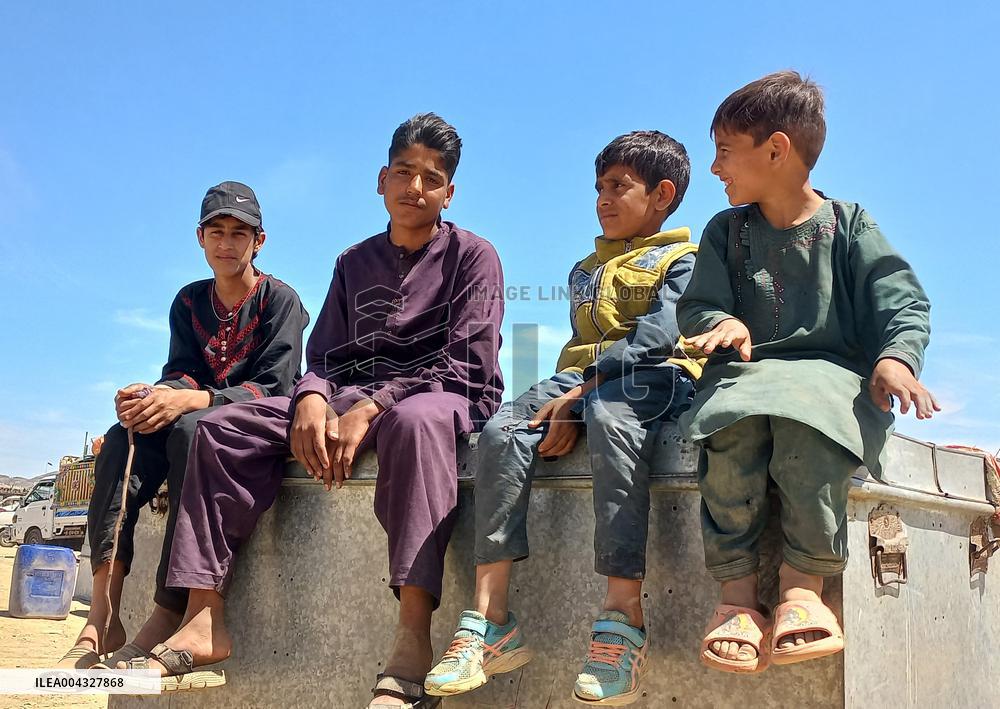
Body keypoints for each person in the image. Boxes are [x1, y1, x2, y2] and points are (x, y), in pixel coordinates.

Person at [121, 114, 504, 706]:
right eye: (403, 172)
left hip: (436, 396)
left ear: (448, 192)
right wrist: (312, 398)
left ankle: (412, 635)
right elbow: (322, 354)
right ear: (381, 180)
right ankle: (204, 618)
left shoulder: (474, 257)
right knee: (220, 429)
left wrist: (374, 406)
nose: (415, 188)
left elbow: (468, 363)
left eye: (432, 179)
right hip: (350, 395)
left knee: (414, 422)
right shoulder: (354, 261)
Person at [424, 131, 700, 706]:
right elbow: (578, 349)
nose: (602, 198)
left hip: (655, 376)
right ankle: (489, 619)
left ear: (662, 194)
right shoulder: (584, 269)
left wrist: (584, 398)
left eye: (618, 186)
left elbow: (659, 338)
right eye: (599, 186)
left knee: (612, 416)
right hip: (582, 380)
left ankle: (623, 616)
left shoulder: (684, 260)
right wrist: (565, 399)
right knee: (503, 430)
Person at [678, 71, 938, 673]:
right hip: (745, 378)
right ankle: (737, 599)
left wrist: (896, 358)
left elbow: (902, 301)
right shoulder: (726, 232)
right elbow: (696, 306)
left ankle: (802, 591)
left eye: (723, 151)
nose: (715, 169)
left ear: (776, 150)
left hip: (832, 381)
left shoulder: (849, 226)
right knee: (730, 429)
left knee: (805, 431)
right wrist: (724, 321)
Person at [58, 182, 308, 670]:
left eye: (240, 233)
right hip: (192, 421)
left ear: (259, 241)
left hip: (248, 426)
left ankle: (167, 610)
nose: (227, 243)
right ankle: (104, 613)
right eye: (217, 231)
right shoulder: (190, 302)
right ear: (200, 237)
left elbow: (277, 386)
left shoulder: (281, 300)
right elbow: (182, 368)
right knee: (120, 438)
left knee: (193, 432)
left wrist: (200, 399)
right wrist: (153, 395)